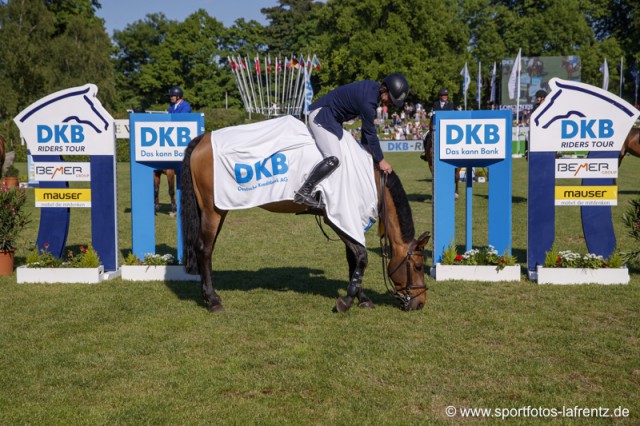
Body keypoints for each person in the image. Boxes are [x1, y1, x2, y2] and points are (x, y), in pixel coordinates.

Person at [293, 73, 409, 207]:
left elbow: (366, 137)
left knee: (347, 156)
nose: (390, 103)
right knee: (334, 158)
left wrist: (373, 157)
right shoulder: (369, 101)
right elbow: (370, 134)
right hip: (322, 115)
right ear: (384, 89)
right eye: (391, 98)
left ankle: (323, 193)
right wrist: (381, 160)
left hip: (332, 120)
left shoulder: (372, 92)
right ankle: (304, 191)